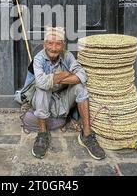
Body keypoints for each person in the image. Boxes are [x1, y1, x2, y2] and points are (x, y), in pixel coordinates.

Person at [29, 26, 106, 160]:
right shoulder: (38, 59)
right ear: (44, 44)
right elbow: (41, 83)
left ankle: (86, 135)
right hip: (46, 102)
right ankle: (42, 133)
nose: (53, 48)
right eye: (50, 43)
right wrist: (64, 74)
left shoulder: (67, 56)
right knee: (42, 88)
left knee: (80, 87)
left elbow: (82, 76)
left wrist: (54, 79)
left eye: (58, 43)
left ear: (63, 45)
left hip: (64, 101)